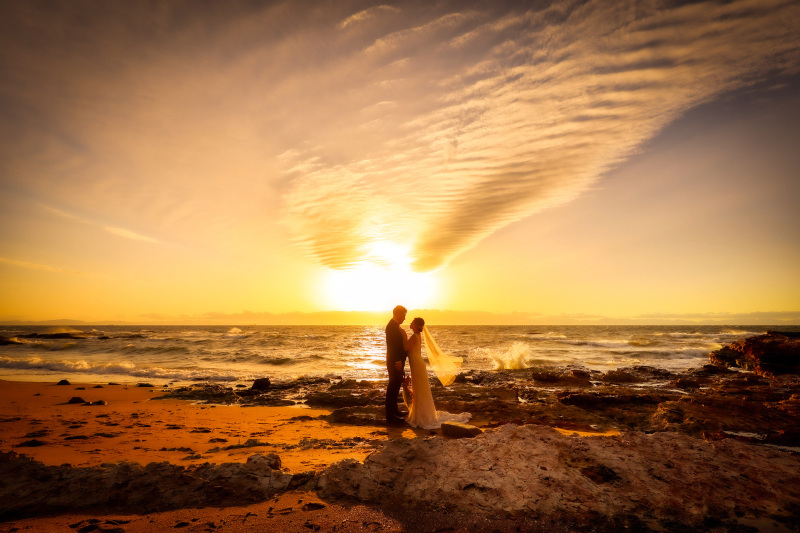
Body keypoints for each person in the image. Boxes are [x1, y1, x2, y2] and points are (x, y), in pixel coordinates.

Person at [403, 317, 471, 430]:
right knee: (420, 390)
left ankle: (421, 416)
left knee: (419, 390)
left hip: (417, 365)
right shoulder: (416, 336)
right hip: (417, 365)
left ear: (416, 325)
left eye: (412, 323)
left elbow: (405, 347)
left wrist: (402, 335)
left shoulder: (414, 336)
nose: (410, 323)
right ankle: (423, 414)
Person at [385, 305, 408, 424]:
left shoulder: (395, 326)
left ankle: (395, 410)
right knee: (392, 387)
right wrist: (397, 361)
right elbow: (393, 346)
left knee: (396, 385)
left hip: (397, 361)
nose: (404, 318)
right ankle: (390, 416)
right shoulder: (391, 326)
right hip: (395, 361)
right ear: (397, 314)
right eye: (403, 315)